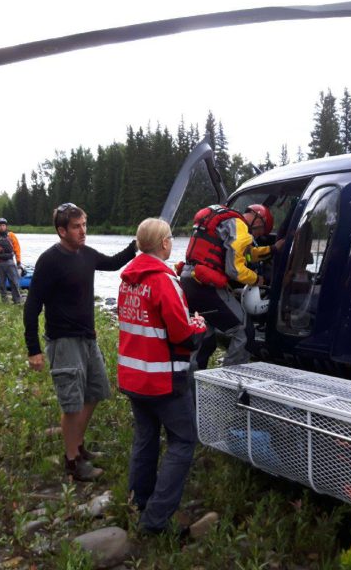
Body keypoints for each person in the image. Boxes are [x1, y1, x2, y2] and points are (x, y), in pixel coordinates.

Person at [24, 202, 137, 481]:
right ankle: (72, 462)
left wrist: (136, 246)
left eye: (84, 225)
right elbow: (32, 305)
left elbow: (112, 263)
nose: (82, 231)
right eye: (76, 226)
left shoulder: (86, 254)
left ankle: (77, 445)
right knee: (72, 404)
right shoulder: (50, 260)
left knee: (95, 392)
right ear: (61, 230)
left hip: (88, 338)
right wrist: (33, 349)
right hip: (63, 342)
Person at [118, 217, 206, 535]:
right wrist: (198, 325)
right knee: (183, 440)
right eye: (170, 239)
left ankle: (138, 501)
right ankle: (155, 522)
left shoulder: (128, 278)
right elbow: (181, 332)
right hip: (163, 379)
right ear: (165, 243)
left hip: (133, 376)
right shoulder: (163, 280)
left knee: (146, 438)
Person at [180, 203, 283, 371]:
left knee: (205, 337)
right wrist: (257, 279)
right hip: (206, 287)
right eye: (259, 231)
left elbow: (246, 254)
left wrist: (272, 249)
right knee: (244, 331)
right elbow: (235, 270)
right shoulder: (240, 225)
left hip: (189, 282)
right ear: (259, 220)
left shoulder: (225, 222)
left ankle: (191, 388)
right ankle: (231, 382)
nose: (256, 236)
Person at [0, 218, 22, 304]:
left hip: (10, 262)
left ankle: (17, 300)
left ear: (6, 226)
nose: (2, 227)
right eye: (0, 226)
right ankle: (4, 301)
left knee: (14, 282)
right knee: (1, 284)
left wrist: (18, 262)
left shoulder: (11, 235)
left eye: (3, 225)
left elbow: (17, 248)